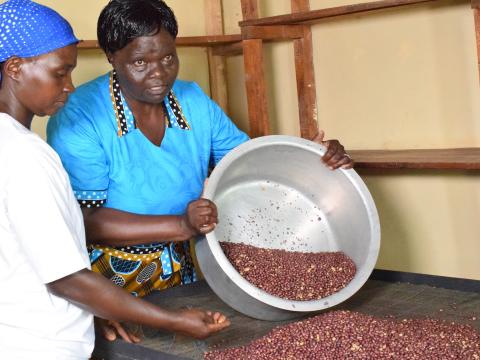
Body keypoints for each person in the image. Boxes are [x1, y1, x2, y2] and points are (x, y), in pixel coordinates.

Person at [47, 0, 353, 341]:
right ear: (111, 57)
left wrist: (309, 156)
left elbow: (247, 163)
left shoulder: (191, 100)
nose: (159, 73)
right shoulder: (80, 115)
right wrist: (180, 224)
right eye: (139, 62)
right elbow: (81, 221)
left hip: (184, 266)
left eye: (167, 58)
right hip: (107, 282)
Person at [0, 1, 229, 358]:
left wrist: (94, 309)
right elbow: (67, 278)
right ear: (15, 68)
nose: (69, 86)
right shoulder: (27, 154)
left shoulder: (16, 145)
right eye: (60, 73)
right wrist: (171, 320)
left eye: (167, 59)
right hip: (42, 341)